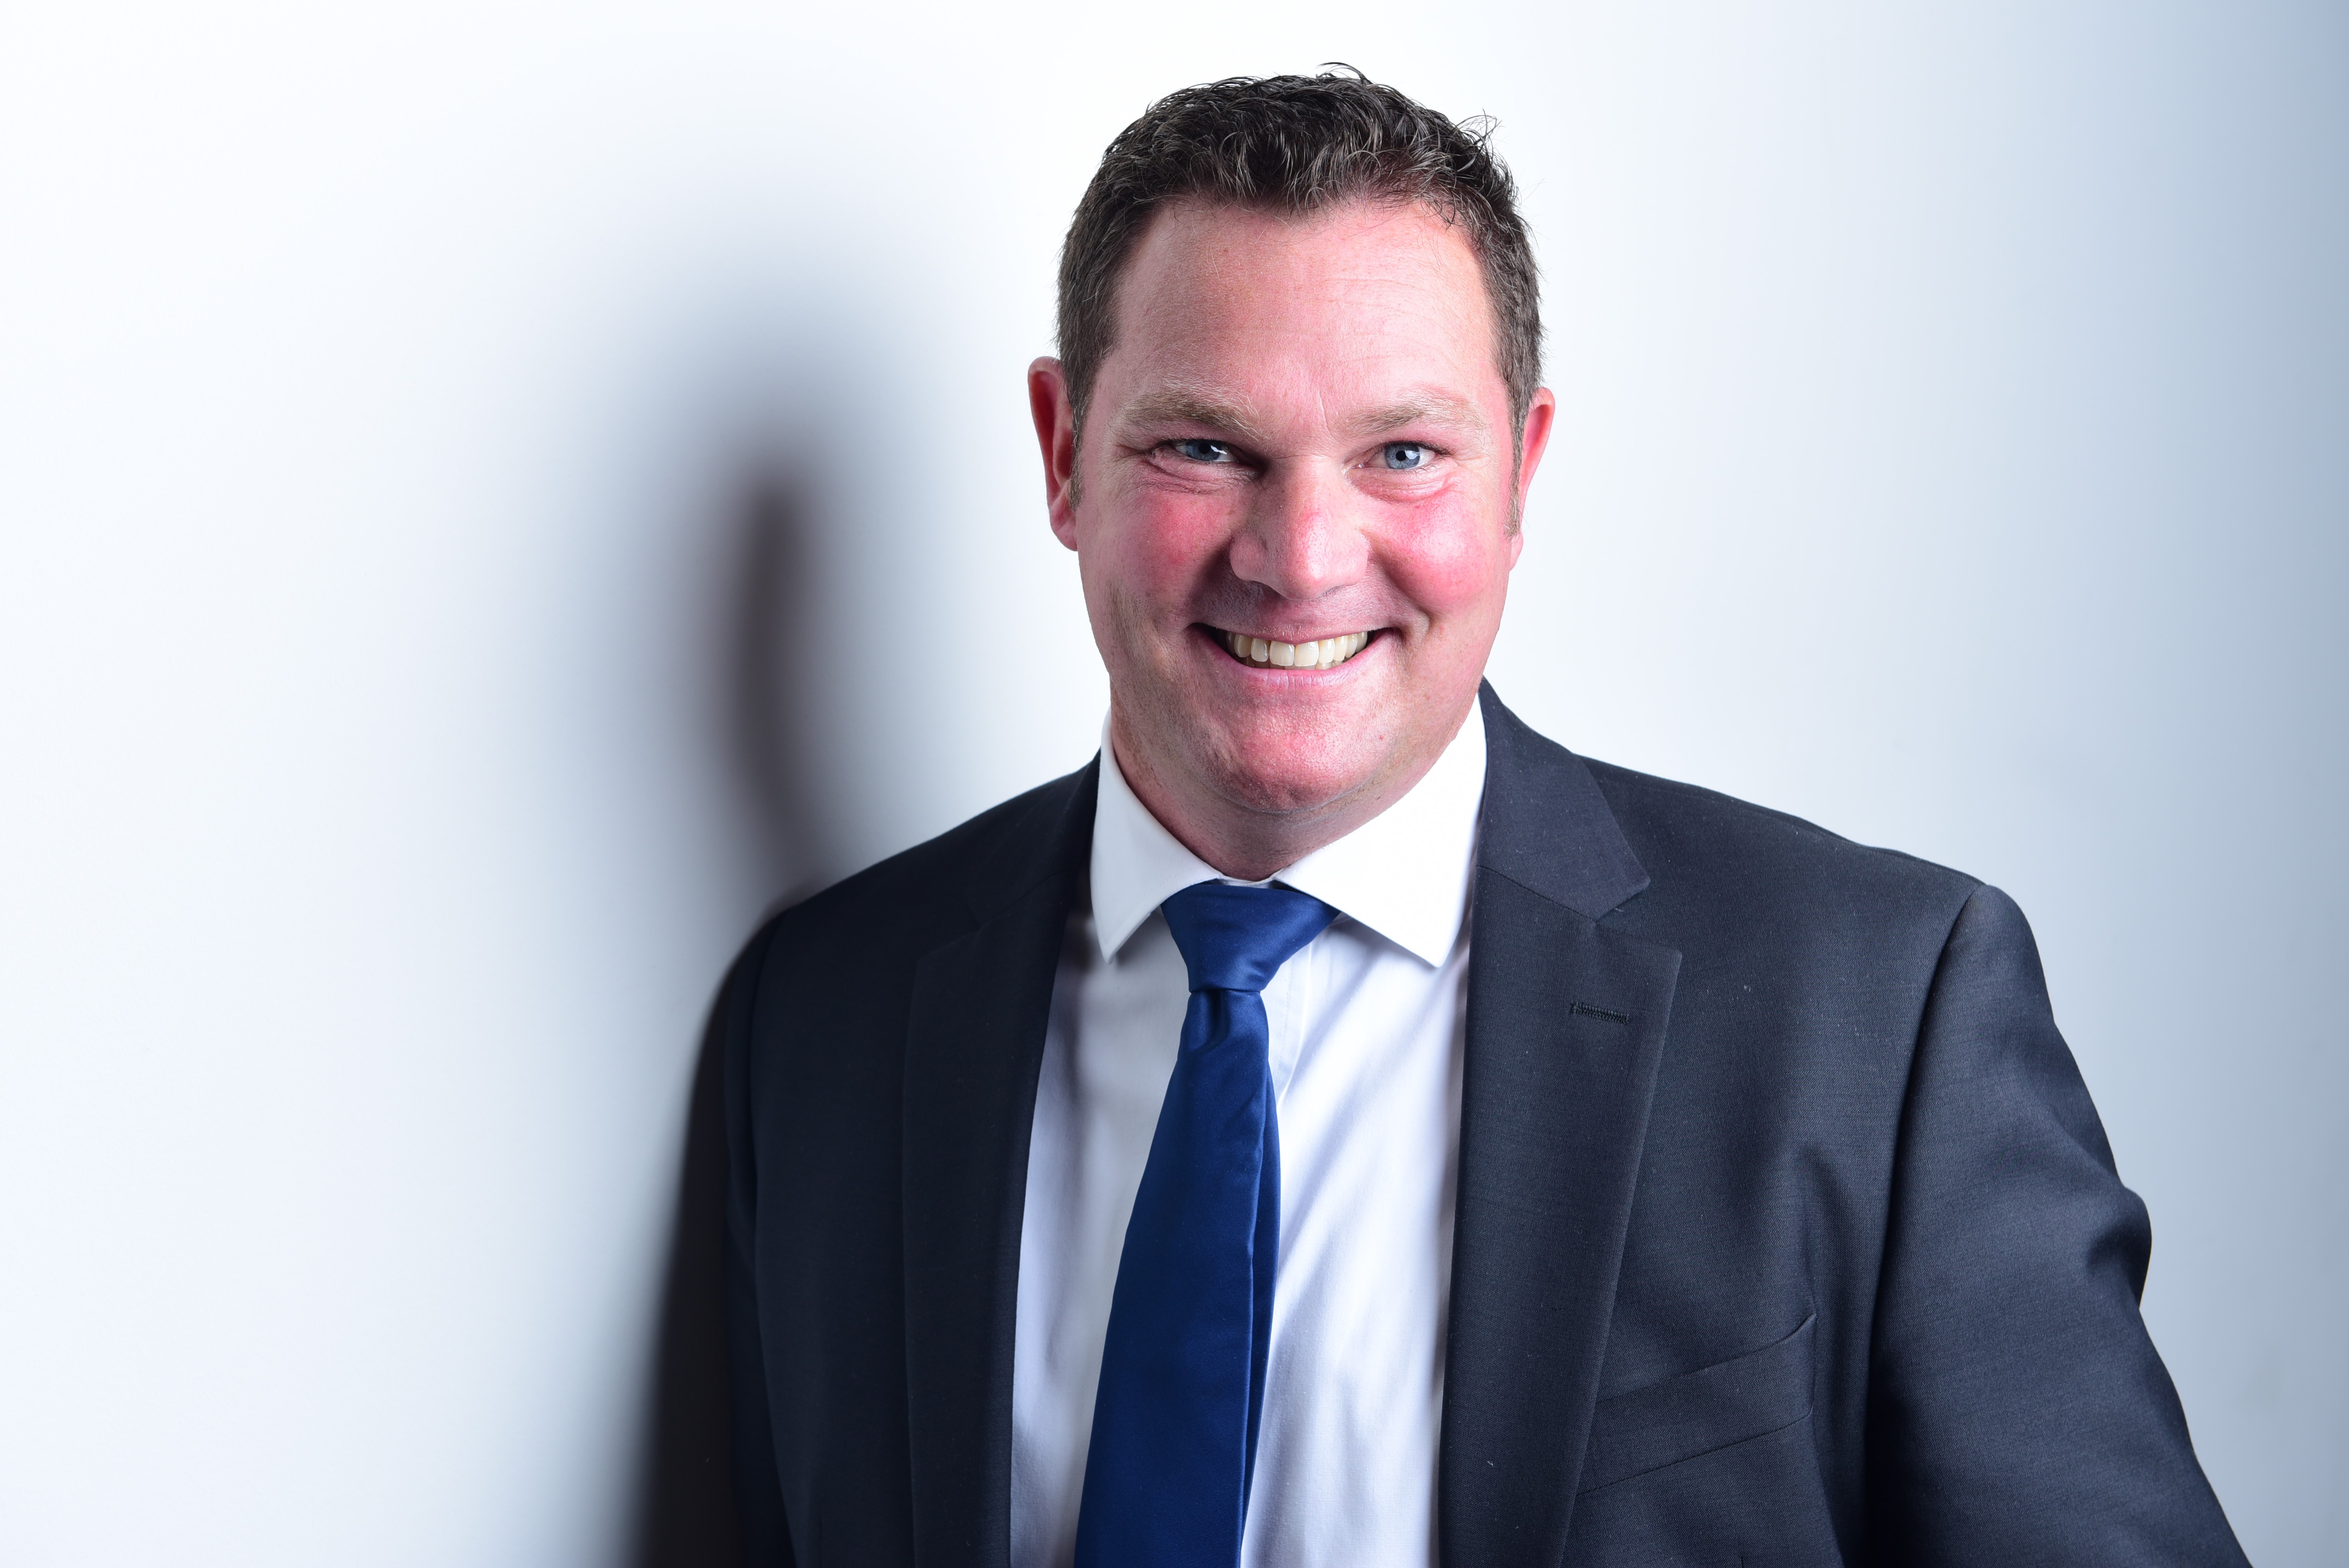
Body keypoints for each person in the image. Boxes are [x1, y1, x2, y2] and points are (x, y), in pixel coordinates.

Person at [720, 71, 2245, 1567]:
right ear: (1064, 453)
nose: (1303, 557)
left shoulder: (1882, 1015)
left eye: (1403, 454)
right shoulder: (824, 1016)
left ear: (1521, 470)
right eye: (1205, 447)